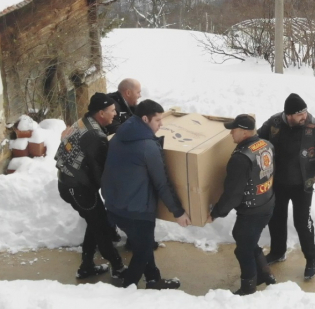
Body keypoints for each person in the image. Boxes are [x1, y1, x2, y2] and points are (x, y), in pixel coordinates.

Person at [101, 99, 190, 289]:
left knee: (143, 244)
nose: (161, 124)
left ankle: (153, 279)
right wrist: (178, 212)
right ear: (144, 119)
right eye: (157, 121)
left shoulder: (120, 135)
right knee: (143, 251)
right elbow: (162, 184)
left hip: (115, 205)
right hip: (137, 210)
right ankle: (127, 290)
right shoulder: (147, 147)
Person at [258, 93, 315, 280]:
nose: (305, 116)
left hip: (303, 184)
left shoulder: (314, 127)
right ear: (289, 115)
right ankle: (278, 252)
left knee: (302, 222)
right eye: (300, 113)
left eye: (305, 111)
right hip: (277, 182)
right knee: (276, 218)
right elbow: (257, 142)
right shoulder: (274, 123)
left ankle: (311, 257)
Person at [55, 93, 125, 280]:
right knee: (101, 227)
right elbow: (100, 172)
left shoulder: (81, 122)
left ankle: (86, 266)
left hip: (66, 182)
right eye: (112, 111)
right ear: (101, 113)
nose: (115, 114)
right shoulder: (96, 136)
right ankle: (117, 266)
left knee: (94, 223)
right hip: (80, 189)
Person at [207, 114, 277, 295]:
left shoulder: (240, 158)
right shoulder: (266, 144)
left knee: (243, 249)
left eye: (234, 129)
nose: (231, 133)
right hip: (267, 202)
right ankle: (265, 274)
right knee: (245, 238)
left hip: (252, 210)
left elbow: (233, 194)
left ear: (245, 132)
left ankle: (248, 287)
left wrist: (216, 212)